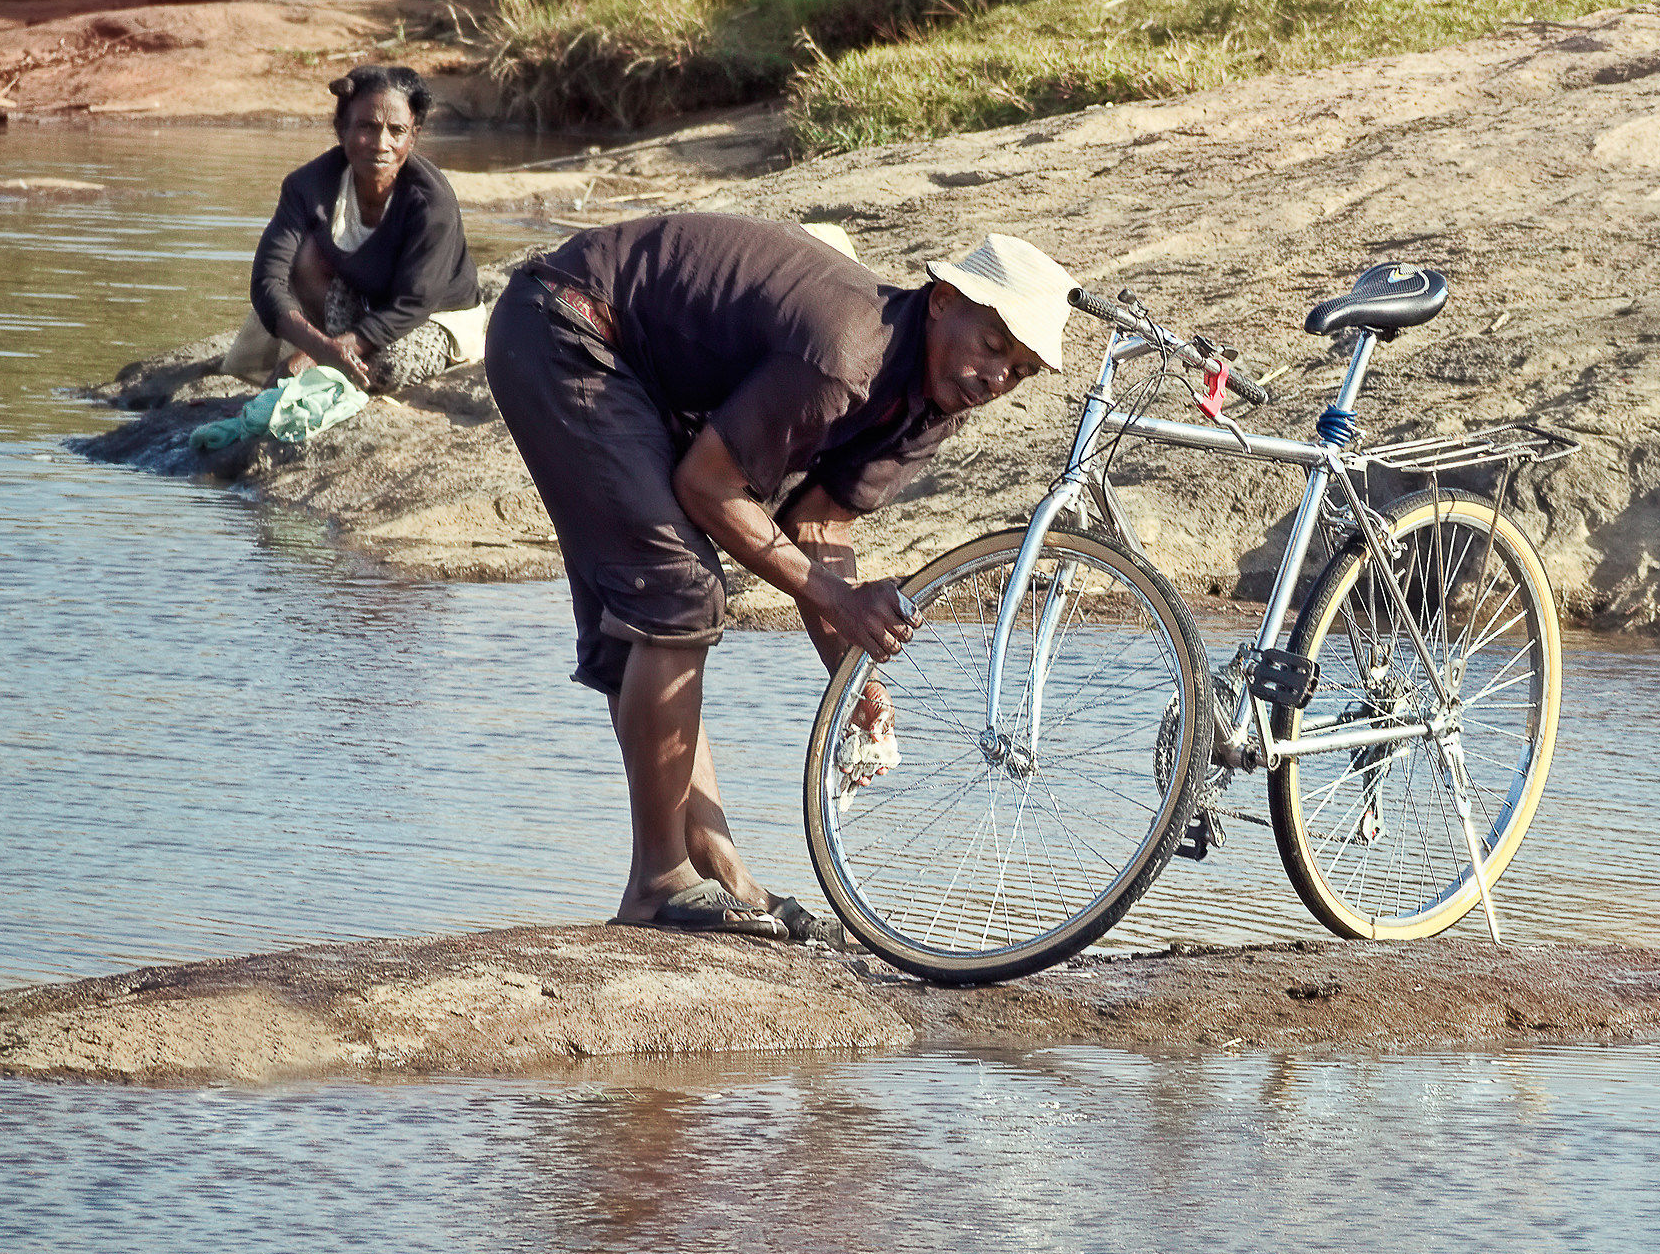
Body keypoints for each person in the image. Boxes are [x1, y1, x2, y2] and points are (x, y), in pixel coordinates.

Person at [484, 213, 1074, 940]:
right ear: (943, 300)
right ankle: (658, 882)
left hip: (633, 370)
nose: (998, 378)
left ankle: (720, 870)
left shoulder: (931, 406)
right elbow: (707, 485)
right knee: (675, 590)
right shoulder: (845, 352)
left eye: (1020, 371)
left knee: (652, 609)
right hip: (564, 326)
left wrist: (853, 674)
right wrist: (838, 600)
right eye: (993, 346)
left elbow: (819, 525)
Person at [237, 65, 483, 392]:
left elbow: (413, 303)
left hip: (433, 314)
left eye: (396, 130)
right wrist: (320, 347)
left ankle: (330, 357)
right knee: (305, 255)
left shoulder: (431, 203)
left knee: (387, 368)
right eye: (367, 127)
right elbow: (268, 279)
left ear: (413, 136)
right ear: (341, 129)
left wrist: (316, 355)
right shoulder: (306, 186)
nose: (381, 144)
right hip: (363, 300)